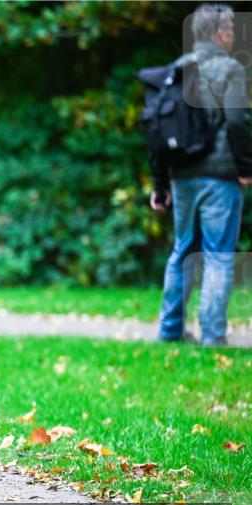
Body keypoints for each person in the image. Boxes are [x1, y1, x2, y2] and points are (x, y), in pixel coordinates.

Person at [150, 2, 252, 346]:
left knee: (182, 250)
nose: (234, 36)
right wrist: (246, 168)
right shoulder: (231, 69)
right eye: (231, 30)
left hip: (182, 177)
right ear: (220, 34)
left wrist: (159, 183)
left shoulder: (177, 70)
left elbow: (157, 130)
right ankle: (212, 335)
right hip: (220, 179)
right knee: (218, 255)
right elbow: (237, 121)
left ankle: (170, 330)